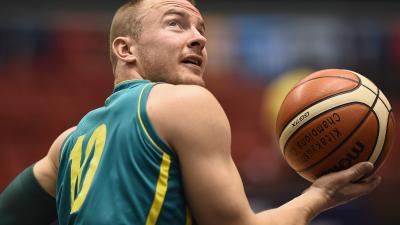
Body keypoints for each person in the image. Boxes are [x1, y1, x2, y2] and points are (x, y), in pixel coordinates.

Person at [0, 0, 382, 224]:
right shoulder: (185, 103)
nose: (198, 37)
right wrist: (319, 196)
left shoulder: (66, 146)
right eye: (175, 24)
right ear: (125, 49)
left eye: (200, 28)